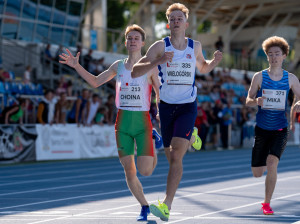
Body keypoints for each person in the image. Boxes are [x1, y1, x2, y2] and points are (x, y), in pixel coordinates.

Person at [59, 24, 162, 221]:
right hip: (122, 122)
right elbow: (96, 82)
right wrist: (76, 65)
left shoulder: (149, 67)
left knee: (146, 171)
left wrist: (160, 112)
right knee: (128, 169)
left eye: (136, 38)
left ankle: (152, 139)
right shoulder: (118, 66)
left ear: (142, 43)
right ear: (125, 42)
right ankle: (144, 206)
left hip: (142, 122)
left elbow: (159, 92)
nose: (132, 41)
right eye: (129, 38)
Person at [131, 3, 222, 221]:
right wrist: (159, 61)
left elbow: (203, 67)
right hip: (166, 106)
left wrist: (214, 62)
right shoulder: (159, 47)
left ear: (186, 23)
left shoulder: (195, 46)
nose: (176, 21)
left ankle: (166, 205)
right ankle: (192, 136)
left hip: (187, 104)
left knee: (177, 156)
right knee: (171, 156)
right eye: (172, 18)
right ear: (168, 23)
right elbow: (135, 72)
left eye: (179, 17)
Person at [246, 36, 300, 215]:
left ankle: (267, 203)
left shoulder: (291, 79)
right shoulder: (259, 76)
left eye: (277, 54)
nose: (274, 57)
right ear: (266, 56)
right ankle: (260, 170)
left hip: (280, 129)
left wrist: (298, 103)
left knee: (272, 163)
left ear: (284, 55)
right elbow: (248, 100)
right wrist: (257, 101)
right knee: (256, 172)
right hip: (262, 129)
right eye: (270, 54)